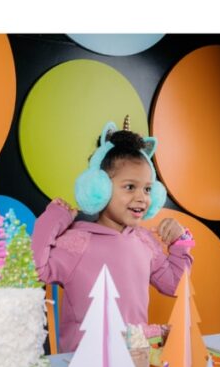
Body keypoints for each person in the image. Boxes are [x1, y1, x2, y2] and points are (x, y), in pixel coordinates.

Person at [32, 121, 193, 353]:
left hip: (134, 359)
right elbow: (36, 269)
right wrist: (54, 218)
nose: (142, 198)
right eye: (130, 187)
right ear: (100, 188)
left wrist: (180, 243)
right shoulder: (78, 241)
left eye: (148, 189)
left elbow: (175, 285)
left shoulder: (145, 242)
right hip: (85, 363)